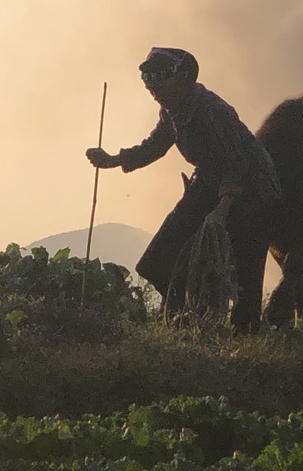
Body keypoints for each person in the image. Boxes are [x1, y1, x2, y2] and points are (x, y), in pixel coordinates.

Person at [86, 47, 281, 331]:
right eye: (150, 88)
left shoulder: (212, 110)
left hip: (252, 189)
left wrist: (222, 209)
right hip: (209, 180)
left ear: (184, 78)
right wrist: (114, 160)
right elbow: (156, 144)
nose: (154, 92)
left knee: (245, 274)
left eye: (159, 84)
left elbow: (238, 162)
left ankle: (244, 335)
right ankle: (187, 320)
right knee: (157, 261)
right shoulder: (171, 111)